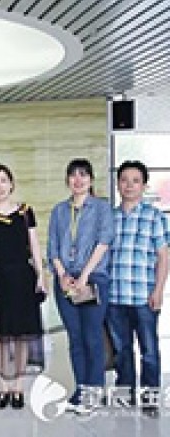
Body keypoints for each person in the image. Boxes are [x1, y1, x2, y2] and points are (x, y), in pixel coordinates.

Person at [47, 159, 114, 415]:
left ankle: (94, 392)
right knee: (75, 338)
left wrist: (84, 276)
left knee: (92, 337)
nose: (78, 180)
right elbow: (53, 247)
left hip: (93, 279)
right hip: (65, 281)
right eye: (73, 175)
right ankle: (81, 389)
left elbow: (104, 242)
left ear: (91, 180)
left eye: (83, 175)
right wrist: (63, 275)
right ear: (67, 180)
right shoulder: (59, 210)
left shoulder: (102, 208)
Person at [0, 164, 46, 410]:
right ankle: (3, 388)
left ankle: (18, 388)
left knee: (21, 336)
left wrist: (40, 275)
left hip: (22, 277)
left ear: (11, 184)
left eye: (3, 181)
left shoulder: (25, 212)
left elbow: (34, 245)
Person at [107, 160, 169, 418]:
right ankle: (126, 393)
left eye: (135, 181)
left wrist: (159, 290)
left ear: (144, 185)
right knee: (121, 350)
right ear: (118, 184)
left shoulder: (155, 217)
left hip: (144, 296)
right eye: (124, 180)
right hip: (115, 296)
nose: (129, 185)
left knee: (149, 350)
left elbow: (163, 256)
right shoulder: (109, 217)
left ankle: (150, 398)